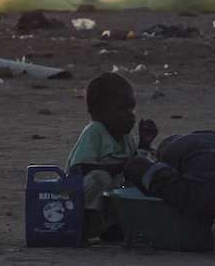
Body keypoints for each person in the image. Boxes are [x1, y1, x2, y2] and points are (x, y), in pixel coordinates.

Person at [65, 72, 157, 240]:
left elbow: (136, 163)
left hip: (108, 198)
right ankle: (84, 221)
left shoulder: (126, 136)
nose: (130, 115)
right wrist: (119, 167)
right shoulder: (95, 131)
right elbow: (79, 168)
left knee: (135, 182)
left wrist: (144, 144)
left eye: (132, 109)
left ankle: (112, 226)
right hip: (78, 198)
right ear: (98, 112)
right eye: (122, 109)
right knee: (100, 177)